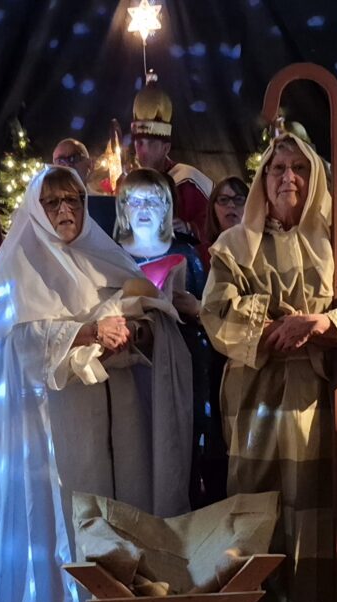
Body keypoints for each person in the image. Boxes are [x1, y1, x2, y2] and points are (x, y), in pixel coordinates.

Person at [0, 165, 192, 602]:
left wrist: (142, 326)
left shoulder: (103, 255)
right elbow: (12, 346)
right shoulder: (12, 268)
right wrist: (88, 332)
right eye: (53, 203)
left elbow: (147, 312)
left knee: (116, 508)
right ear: (34, 210)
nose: (66, 210)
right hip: (49, 426)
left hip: (114, 413)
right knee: (61, 517)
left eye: (73, 200)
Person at [200, 130, 337, 602]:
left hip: (326, 394)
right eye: (277, 168)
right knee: (262, 506)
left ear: (318, 177)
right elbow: (216, 312)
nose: (288, 177)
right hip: (261, 399)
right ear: (262, 179)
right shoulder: (234, 244)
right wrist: (276, 326)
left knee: (332, 501)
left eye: (299, 168)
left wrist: (323, 325)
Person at [115, 168, 226, 506]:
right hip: (129, 366)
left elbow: (210, 315)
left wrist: (194, 307)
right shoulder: (111, 255)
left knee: (183, 447)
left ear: (167, 207)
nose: (144, 208)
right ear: (123, 207)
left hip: (184, 364)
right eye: (135, 200)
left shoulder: (187, 254)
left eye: (153, 200)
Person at [131, 71, 213, 242]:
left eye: (152, 144)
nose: (143, 151)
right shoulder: (130, 183)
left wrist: (189, 228)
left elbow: (216, 220)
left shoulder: (188, 179)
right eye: (139, 144)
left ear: (166, 148)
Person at [200, 176, 248, 266]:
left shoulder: (260, 249)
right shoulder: (200, 255)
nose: (231, 205)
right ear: (213, 208)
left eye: (239, 199)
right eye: (223, 200)